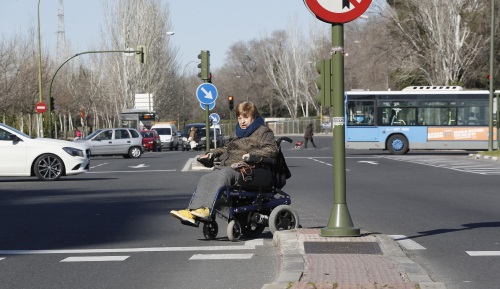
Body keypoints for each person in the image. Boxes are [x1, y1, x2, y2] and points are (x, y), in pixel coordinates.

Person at [170, 101, 279, 226]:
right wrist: (212, 153)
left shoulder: (263, 131)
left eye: (246, 117)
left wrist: (252, 155)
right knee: (206, 178)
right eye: (239, 118)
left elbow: (272, 149)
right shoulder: (237, 132)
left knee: (224, 175)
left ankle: (206, 210)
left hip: (249, 168)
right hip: (229, 166)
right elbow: (226, 148)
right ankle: (193, 211)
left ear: (253, 117)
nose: (242, 121)